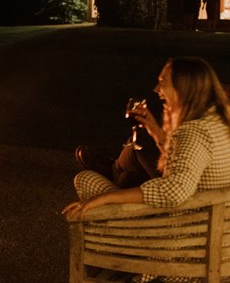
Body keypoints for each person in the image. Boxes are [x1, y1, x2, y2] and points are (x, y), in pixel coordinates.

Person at [64, 57, 230, 223]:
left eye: (162, 82)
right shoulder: (219, 121)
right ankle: (115, 172)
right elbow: (187, 160)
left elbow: (174, 191)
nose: (156, 89)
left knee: (86, 180)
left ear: (183, 88)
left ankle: (119, 236)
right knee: (129, 179)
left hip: (179, 230)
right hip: (214, 224)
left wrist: (105, 198)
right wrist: (153, 128)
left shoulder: (194, 131)